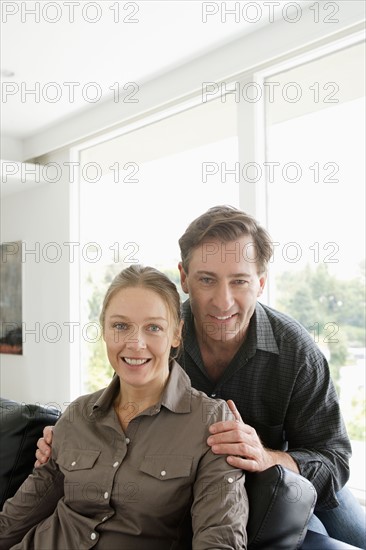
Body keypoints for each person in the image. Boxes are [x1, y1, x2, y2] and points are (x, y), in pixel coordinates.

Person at [35, 206, 366, 548]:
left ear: (261, 283)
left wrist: (268, 458)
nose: (223, 302)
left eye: (239, 281)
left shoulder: (296, 351)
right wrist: (69, 437)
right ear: (184, 278)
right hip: (191, 486)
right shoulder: (158, 330)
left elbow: (334, 459)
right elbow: (122, 401)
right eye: (207, 279)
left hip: (278, 481)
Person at [0, 265, 248, 550]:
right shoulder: (78, 414)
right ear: (104, 329)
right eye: (120, 326)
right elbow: (14, 519)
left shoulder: (211, 422)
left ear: (177, 334)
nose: (135, 343)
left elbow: (220, 538)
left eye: (153, 327)